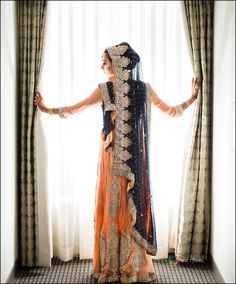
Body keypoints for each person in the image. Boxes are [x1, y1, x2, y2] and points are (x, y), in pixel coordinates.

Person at [35, 42, 200, 283]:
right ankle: (131, 266)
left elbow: (75, 108)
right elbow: (171, 111)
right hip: (135, 158)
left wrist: (46, 109)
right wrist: (192, 98)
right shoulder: (144, 90)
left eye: (105, 61)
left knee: (116, 207)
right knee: (128, 208)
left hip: (112, 157)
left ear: (119, 63)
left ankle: (113, 267)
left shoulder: (106, 89)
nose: (102, 65)